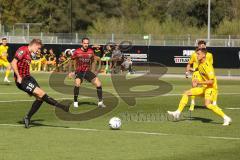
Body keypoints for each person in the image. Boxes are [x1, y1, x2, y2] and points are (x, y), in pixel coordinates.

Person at [11, 39, 69, 128]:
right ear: (34, 44)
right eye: (38, 48)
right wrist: (18, 76)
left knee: (40, 98)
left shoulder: (30, 54)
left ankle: (27, 117)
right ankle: (61, 106)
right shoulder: (22, 50)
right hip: (22, 80)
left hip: (29, 78)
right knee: (42, 94)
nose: (38, 50)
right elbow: (13, 62)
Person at [168, 48, 232, 126]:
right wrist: (191, 72)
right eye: (196, 53)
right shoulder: (200, 63)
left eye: (198, 54)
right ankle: (177, 113)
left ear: (203, 55)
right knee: (186, 93)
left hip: (211, 88)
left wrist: (199, 82)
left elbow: (211, 81)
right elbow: (197, 70)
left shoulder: (207, 66)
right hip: (204, 88)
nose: (196, 55)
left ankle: (226, 117)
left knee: (207, 104)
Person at [68, 37, 106, 108]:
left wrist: (93, 70)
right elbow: (71, 60)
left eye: (87, 43)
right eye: (85, 43)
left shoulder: (91, 51)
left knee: (98, 84)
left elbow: (93, 60)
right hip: (79, 71)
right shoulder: (77, 51)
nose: (86, 44)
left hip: (87, 71)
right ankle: (75, 101)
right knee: (77, 84)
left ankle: (100, 102)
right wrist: (70, 72)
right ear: (82, 43)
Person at [186, 40, 215, 112]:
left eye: (203, 45)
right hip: (196, 72)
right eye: (200, 45)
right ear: (198, 46)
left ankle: (212, 103)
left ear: (205, 46)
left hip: (205, 73)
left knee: (209, 87)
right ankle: (192, 103)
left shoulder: (209, 55)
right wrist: (187, 72)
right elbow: (189, 63)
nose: (201, 46)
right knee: (194, 86)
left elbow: (210, 65)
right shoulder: (194, 54)